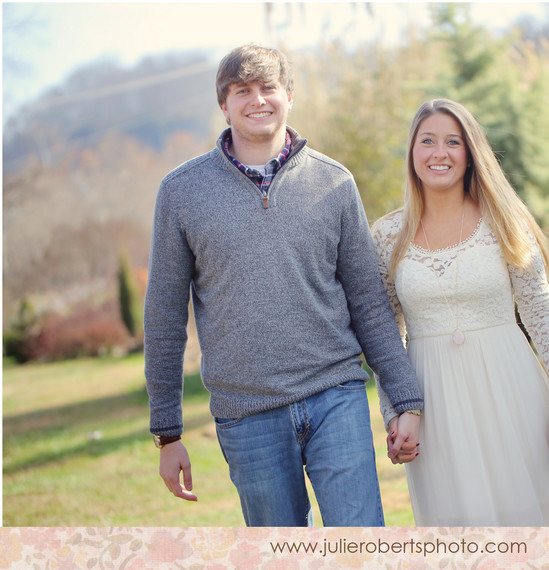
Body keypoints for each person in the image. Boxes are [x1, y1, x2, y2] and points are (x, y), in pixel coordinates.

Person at [144, 44, 423, 527]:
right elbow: (164, 317)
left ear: (289, 95)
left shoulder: (334, 182)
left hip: (335, 392)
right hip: (246, 413)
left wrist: (405, 402)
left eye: (268, 87)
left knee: (360, 543)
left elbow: (369, 304)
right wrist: (167, 433)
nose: (258, 100)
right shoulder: (182, 192)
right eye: (242, 91)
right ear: (224, 104)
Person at [371, 98, 549, 526]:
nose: (440, 152)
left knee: (529, 517)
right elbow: (384, 336)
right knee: (460, 527)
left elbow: (539, 310)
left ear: (470, 153)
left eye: (453, 142)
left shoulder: (503, 221)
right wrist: (397, 412)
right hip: (433, 405)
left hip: (509, 387)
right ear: (412, 152)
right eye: (428, 141)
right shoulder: (386, 236)